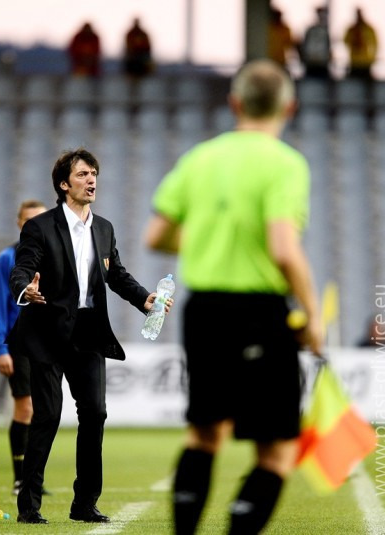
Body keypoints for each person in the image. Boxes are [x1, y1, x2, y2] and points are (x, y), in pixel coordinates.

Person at [144, 59, 323, 535]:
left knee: (204, 434)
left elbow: (156, 235)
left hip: (203, 311)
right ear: (289, 107)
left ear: (235, 103)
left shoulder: (200, 158)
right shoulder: (285, 164)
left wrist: (207, 239)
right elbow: (284, 249)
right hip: (259, 312)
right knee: (277, 449)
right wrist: (313, 313)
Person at [9, 148, 171, 524]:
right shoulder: (39, 227)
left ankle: (84, 503)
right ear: (64, 185)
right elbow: (22, 268)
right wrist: (25, 290)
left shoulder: (104, 228)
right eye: (82, 174)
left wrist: (144, 299)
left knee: (95, 413)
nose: (91, 179)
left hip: (88, 332)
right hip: (47, 332)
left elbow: (116, 275)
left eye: (94, 173)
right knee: (47, 416)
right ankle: (29, 506)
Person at [0, 199, 47, 496]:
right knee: (26, 407)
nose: (34, 225)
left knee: (44, 410)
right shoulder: (6, 259)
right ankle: (20, 479)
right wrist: (0, 348)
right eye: (28, 221)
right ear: (19, 223)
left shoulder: (53, 256)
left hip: (47, 343)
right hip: (19, 341)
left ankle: (33, 478)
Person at [343, 7, 378, 80]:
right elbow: (345, 41)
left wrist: (372, 58)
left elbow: (375, 44)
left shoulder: (368, 29)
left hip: (365, 62)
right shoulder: (351, 29)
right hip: (354, 62)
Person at [300, 7, 332, 79]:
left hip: (322, 63)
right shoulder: (311, 30)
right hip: (311, 62)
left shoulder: (325, 31)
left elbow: (328, 47)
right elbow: (304, 45)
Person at [267, 6, 297, 70]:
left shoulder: (285, 29)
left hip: (280, 61)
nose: (277, 18)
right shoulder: (267, 28)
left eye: (278, 16)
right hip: (268, 59)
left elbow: (289, 44)